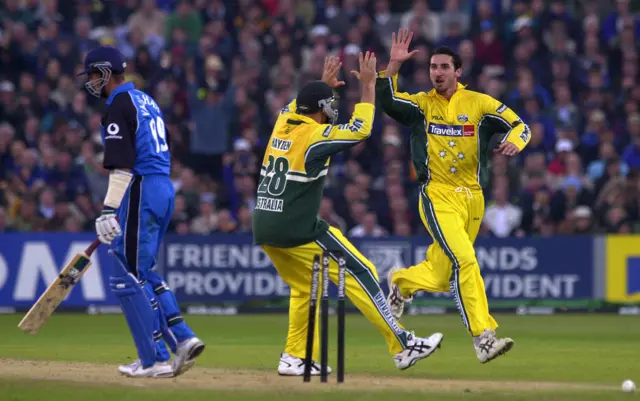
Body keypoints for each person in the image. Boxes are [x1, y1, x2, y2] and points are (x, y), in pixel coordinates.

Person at [252, 53, 443, 376]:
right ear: (320, 109)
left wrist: (322, 86)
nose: (332, 109)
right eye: (329, 103)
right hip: (297, 227)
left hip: (265, 224)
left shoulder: (283, 121)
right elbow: (361, 129)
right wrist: (369, 87)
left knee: (305, 288)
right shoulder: (313, 138)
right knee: (362, 271)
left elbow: (299, 103)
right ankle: (403, 344)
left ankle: (295, 357)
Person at [376, 29, 531, 363]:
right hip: (437, 195)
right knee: (466, 261)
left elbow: (521, 125)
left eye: (444, 67)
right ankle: (483, 337)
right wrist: (393, 66)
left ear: (458, 72)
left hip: (473, 199)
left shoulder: (479, 104)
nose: (437, 72)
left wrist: (518, 140)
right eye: (433, 67)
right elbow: (387, 101)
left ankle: (401, 281)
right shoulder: (421, 105)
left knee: (443, 274)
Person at [80, 46, 205, 378]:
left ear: (105, 74)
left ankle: (154, 359)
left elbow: (121, 166)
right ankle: (183, 337)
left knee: (126, 274)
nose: (91, 82)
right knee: (143, 269)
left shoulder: (118, 105)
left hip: (141, 186)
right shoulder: (145, 99)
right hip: (163, 187)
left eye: (93, 75)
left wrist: (108, 210)